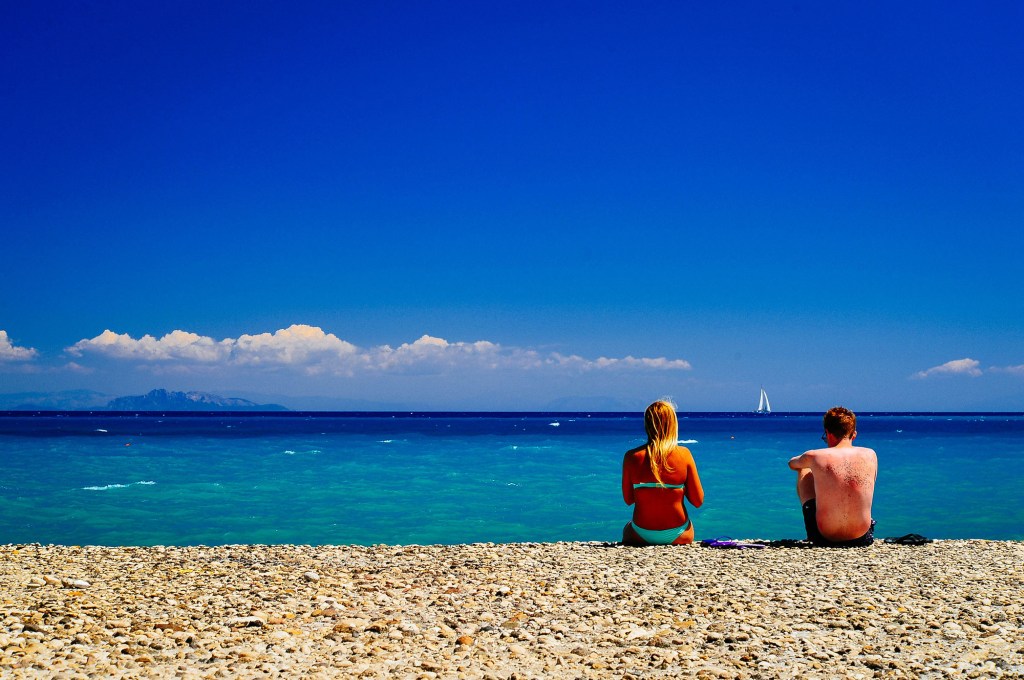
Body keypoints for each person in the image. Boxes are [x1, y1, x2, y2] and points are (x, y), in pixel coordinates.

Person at [788, 406, 877, 547]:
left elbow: (792, 464)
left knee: (804, 469)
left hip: (824, 537)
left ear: (828, 433)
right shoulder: (870, 455)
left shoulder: (815, 456)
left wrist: (814, 465)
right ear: (854, 434)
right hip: (862, 537)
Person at [622, 400, 704, 545]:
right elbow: (698, 501)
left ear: (647, 424)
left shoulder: (631, 456)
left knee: (627, 528)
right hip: (679, 533)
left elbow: (629, 499)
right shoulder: (684, 454)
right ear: (673, 424)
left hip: (640, 533)